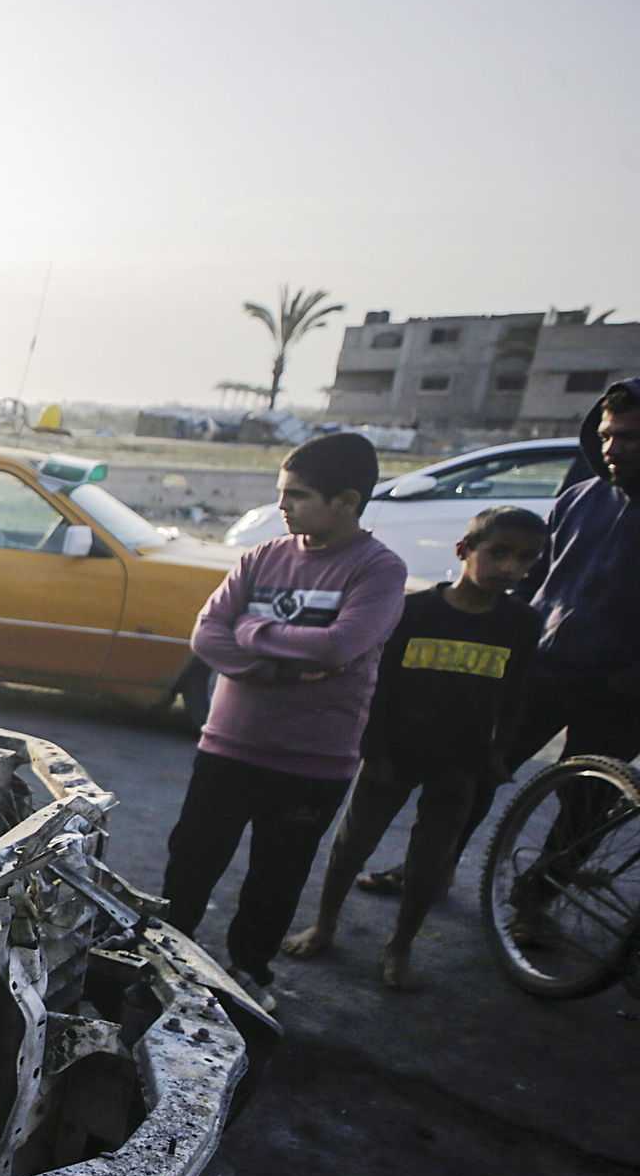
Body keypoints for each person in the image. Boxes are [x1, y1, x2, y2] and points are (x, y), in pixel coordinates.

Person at [358, 377, 640, 903]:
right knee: (476, 775)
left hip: (617, 691)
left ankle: (535, 904)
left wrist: (628, 682)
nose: (613, 447)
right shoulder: (581, 498)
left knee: (585, 804)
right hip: (542, 669)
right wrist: (511, 636)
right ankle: (430, 869)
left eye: (629, 437)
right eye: (607, 435)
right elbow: (533, 579)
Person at [160, 432, 408, 1007]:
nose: (282, 506)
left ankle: (249, 973)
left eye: (296, 495)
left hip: (313, 763)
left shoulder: (378, 571)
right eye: (282, 492)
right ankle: (165, 960)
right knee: (190, 864)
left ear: (346, 501)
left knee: (275, 879)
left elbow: (340, 645)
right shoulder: (262, 557)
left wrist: (251, 629)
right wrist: (272, 663)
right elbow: (208, 635)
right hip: (227, 746)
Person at [281, 506, 545, 988]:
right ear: (464, 550)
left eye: (526, 559)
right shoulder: (413, 611)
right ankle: (324, 925)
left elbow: (517, 694)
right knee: (351, 847)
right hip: (393, 756)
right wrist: (374, 751)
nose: (510, 567)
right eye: (499, 552)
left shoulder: (522, 624)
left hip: (461, 763)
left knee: (429, 865)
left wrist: (498, 754)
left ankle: (399, 947)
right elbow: (377, 684)